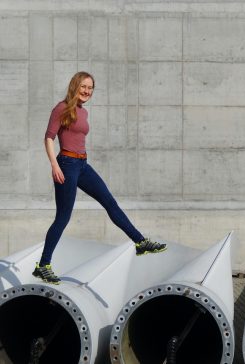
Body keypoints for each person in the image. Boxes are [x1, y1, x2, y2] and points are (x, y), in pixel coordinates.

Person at [32, 71, 167, 285]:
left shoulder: (83, 112)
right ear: (75, 86)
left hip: (83, 164)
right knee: (63, 217)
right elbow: (48, 137)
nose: (87, 91)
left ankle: (140, 242)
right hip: (66, 165)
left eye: (90, 88)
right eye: (83, 87)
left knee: (110, 202)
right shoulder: (61, 108)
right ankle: (43, 265)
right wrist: (54, 165)